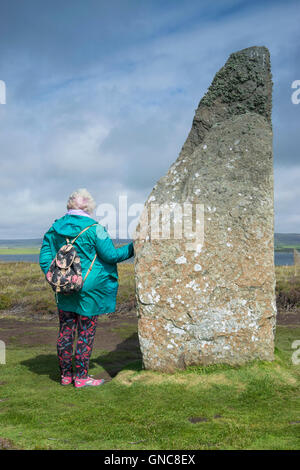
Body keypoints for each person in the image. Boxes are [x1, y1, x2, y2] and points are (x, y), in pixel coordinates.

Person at [39, 188, 134, 388]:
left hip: (63, 286)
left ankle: (65, 376)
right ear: (89, 206)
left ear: (69, 205)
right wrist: (135, 247)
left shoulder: (55, 227)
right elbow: (111, 256)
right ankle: (81, 377)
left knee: (66, 329)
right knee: (85, 331)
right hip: (88, 288)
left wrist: (52, 273)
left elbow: (45, 254)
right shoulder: (95, 228)